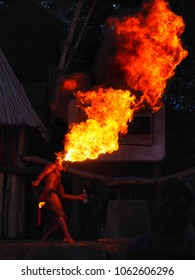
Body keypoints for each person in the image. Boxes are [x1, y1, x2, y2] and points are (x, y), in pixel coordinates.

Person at [32, 159, 86, 243]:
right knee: (61, 214)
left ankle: (44, 239)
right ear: (59, 160)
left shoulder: (59, 178)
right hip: (49, 194)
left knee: (60, 220)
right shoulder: (52, 166)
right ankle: (67, 237)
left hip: (53, 195)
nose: (64, 166)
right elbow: (44, 173)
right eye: (62, 163)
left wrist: (78, 197)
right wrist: (37, 181)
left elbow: (63, 195)